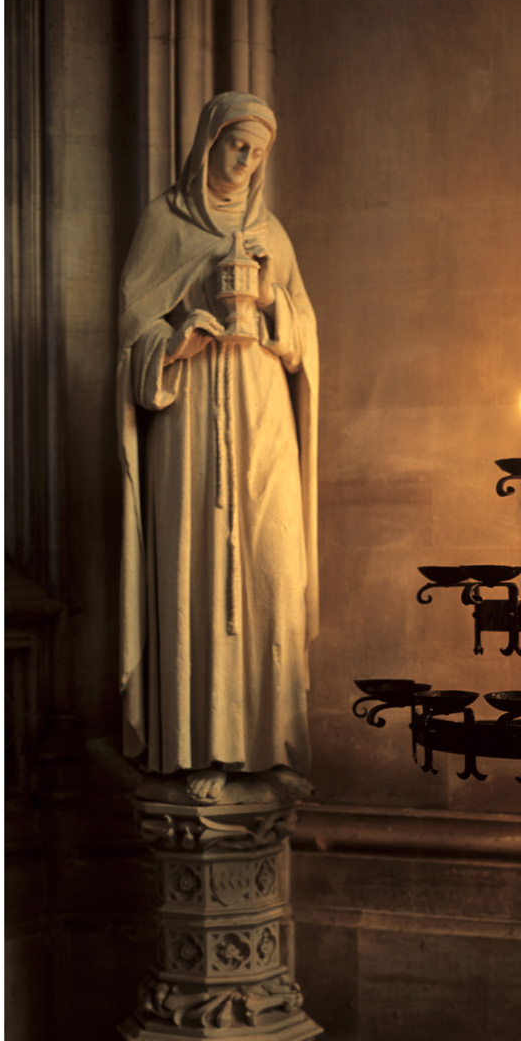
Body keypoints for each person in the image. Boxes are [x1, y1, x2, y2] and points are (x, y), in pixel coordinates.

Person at [116, 91, 318, 802]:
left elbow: (305, 347)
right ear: (208, 143)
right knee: (198, 568)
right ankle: (200, 744)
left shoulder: (275, 235)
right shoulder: (162, 224)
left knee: (267, 567)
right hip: (192, 422)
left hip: (263, 420)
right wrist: (178, 340)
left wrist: (271, 304)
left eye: (258, 151)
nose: (246, 159)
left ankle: (269, 744)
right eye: (237, 143)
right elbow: (130, 348)